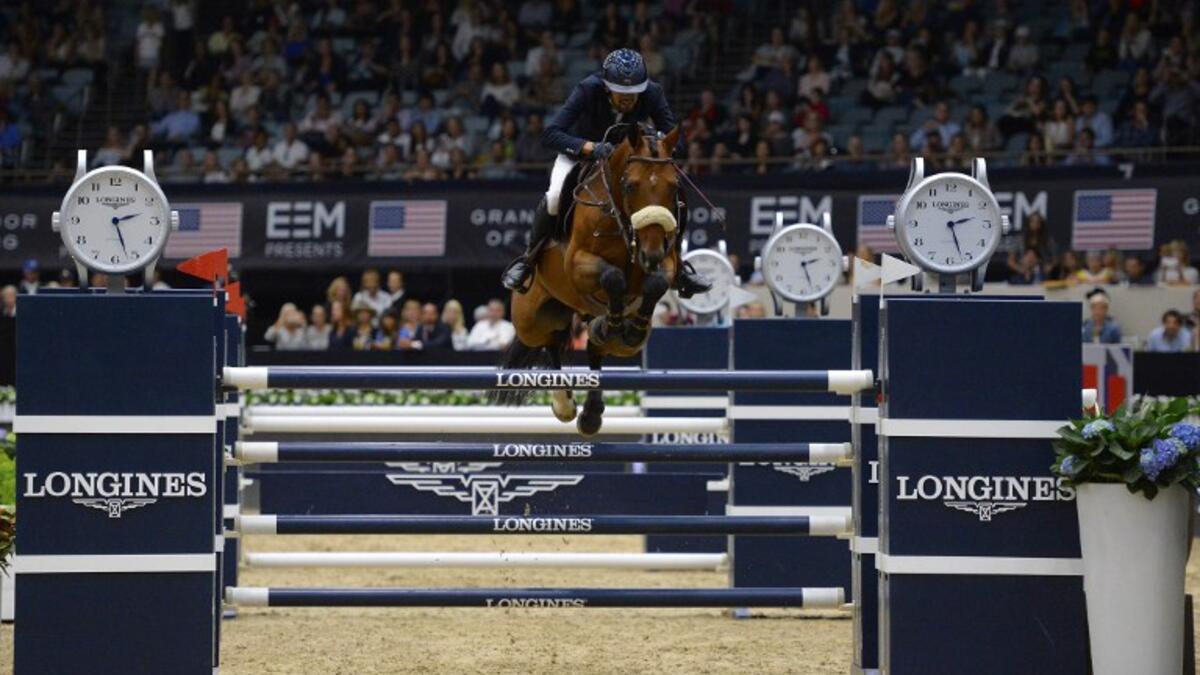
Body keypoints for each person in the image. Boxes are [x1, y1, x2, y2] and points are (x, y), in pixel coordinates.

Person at [500, 48, 709, 298]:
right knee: (555, 196)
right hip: (583, 154)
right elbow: (551, 134)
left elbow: (679, 142)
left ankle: (679, 265)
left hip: (632, 161)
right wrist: (590, 147)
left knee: (674, 193)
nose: (629, 98)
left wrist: (657, 140)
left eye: (634, 93)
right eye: (623, 92)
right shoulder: (588, 89)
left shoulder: (652, 92)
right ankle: (528, 260)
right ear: (608, 87)